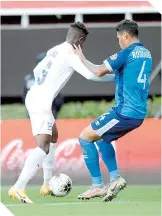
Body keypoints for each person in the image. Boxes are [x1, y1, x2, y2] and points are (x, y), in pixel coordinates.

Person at [8, 21, 115, 204]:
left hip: (35, 95)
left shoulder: (54, 50)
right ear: (80, 40)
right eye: (84, 43)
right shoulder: (70, 54)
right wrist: (114, 78)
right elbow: (91, 75)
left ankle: (47, 183)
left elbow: (37, 71)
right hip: (41, 102)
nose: (83, 46)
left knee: (53, 136)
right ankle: (19, 187)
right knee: (42, 146)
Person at [74, 19, 152, 201]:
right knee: (101, 139)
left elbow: (99, 71)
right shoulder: (146, 54)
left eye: (119, 37)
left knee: (85, 137)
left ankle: (97, 186)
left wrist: (81, 58)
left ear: (125, 35)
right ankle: (115, 178)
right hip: (138, 113)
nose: (119, 41)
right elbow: (123, 76)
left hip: (125, 112)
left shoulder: (126, 53)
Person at [23, 52, 64, 118]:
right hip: (49, 112)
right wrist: (55, 110)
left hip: (32, 113)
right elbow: (58, 100)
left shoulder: (28, 79)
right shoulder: (52, 78)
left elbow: (25, 97)